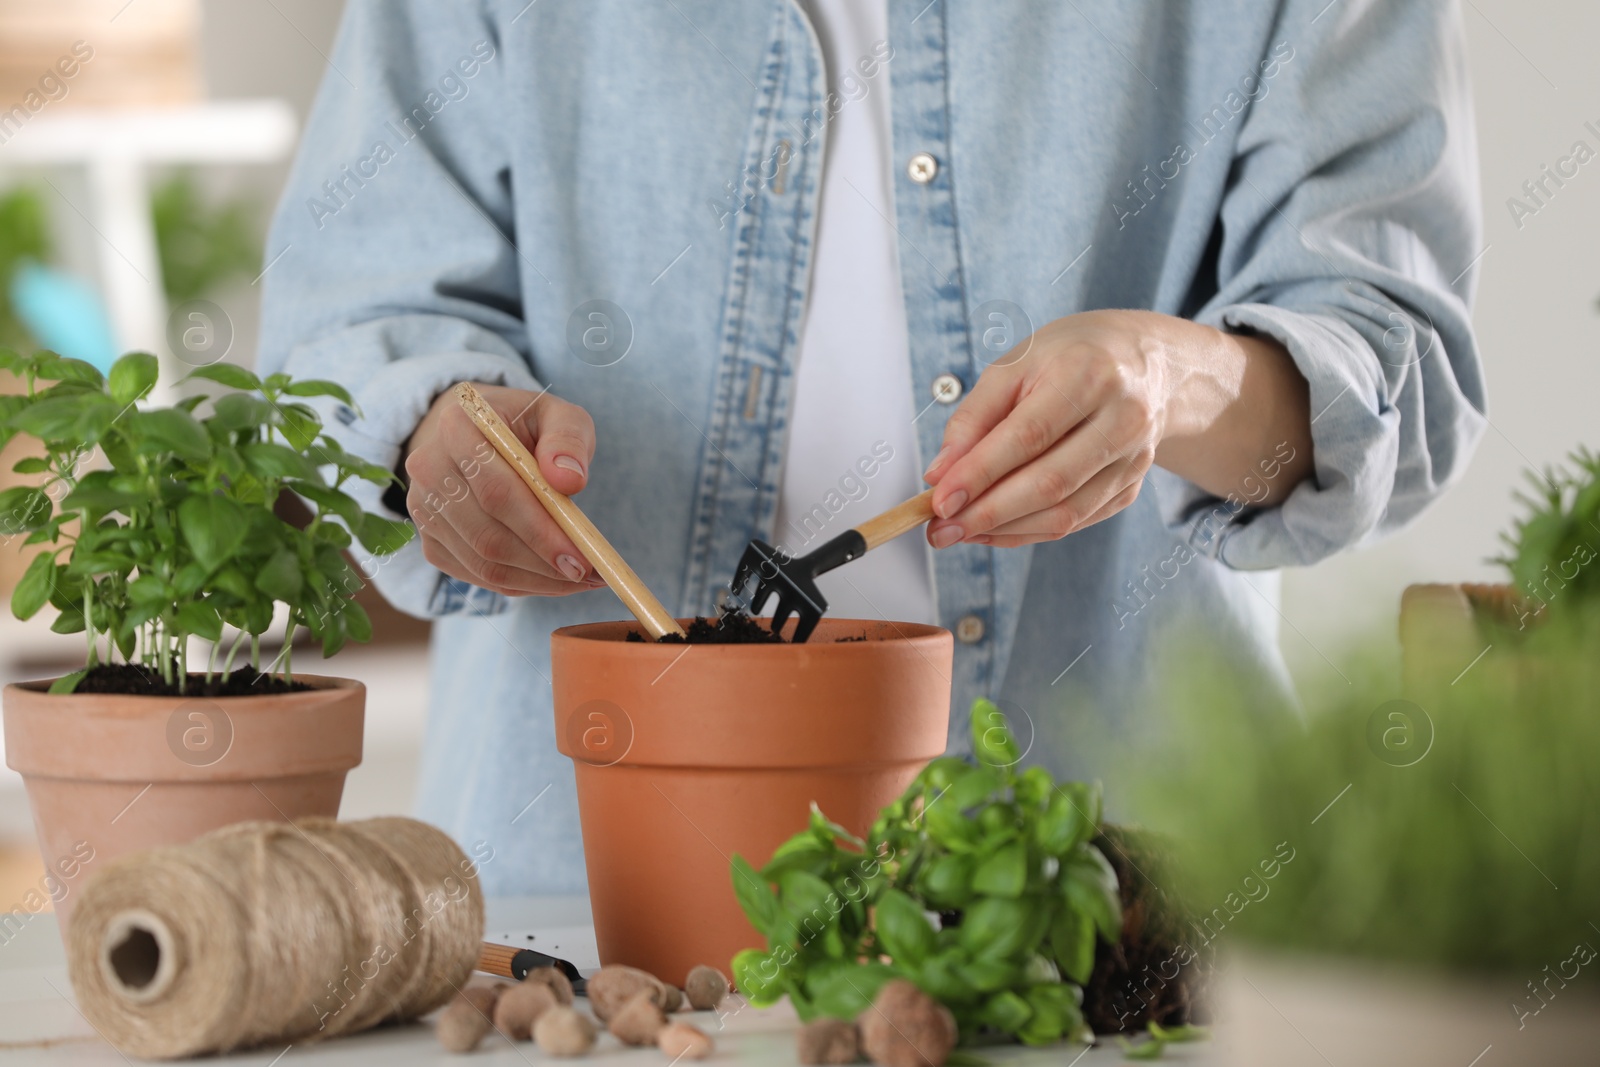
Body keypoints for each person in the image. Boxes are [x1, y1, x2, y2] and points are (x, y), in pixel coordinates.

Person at [260, 0, 1484, 894]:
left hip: (1108, 900)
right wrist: (440, 438)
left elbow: (1402, 372)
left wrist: (1176, 384)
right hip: (579, 900)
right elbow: (353, 313)